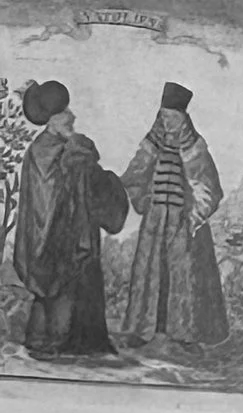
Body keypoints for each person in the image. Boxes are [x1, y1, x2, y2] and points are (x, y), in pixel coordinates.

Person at [9, 81, 126, 361]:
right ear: (51, 120)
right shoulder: (68, 152)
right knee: (67, 283)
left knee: (48, 288)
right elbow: (78, 185)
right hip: (66, 238)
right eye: (65, 113)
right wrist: (110, 181)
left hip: (43, 239)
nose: (72, 116)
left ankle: (40, 339)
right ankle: (63, 343)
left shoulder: (36, 150)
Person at [119, 79, 225, 355]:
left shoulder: (195, 146)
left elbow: (209, 188)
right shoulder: (152, 144)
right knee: (149, 274)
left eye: (172, 117)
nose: (166, 122)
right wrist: (142, 202)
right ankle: (142, 330)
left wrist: (192, 219)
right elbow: (133, 176)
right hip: (155, 221)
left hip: (184, 223)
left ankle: (185, 335)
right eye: (163, 116)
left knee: (184, 276)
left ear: (183, 118)